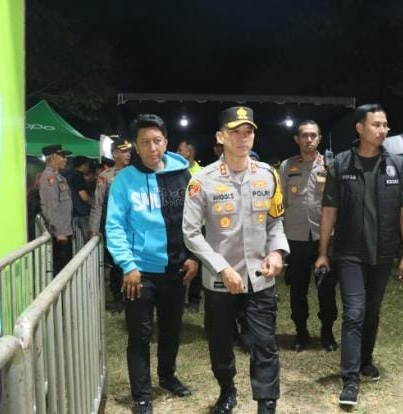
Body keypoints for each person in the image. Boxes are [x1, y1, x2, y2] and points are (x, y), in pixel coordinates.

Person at [183, 106, 289, 414]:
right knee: (220, 342)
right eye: (235, 132)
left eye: (248, 132)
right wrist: (221, 267)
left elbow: (275, 222)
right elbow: (191, 233)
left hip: (260, 277)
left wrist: (276, 252)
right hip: (220, 280)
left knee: (264, 342)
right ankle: (227, 390)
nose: (243, 138)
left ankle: (266, 403)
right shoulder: (202, 180)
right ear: (221, 137)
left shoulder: (268, 175)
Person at [314, 104, 403, 407]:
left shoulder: (397, 165)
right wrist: (323, 253)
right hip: (349, 252)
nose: (382, 130)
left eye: (385, 125)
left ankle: (365, 360)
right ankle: (350, 380)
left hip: (383, 253)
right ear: (360, 127)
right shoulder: (341, 164)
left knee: (371, 311)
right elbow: (329, 210)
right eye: (376, 124)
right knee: (354, 313)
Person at [106, 114, 199, 414]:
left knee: (172, 330)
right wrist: (128, 265)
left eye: (157, 141)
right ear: (136, 145)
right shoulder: (124, 180)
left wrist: (193, 256)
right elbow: (114, 226)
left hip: (177, 268)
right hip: (140, 271)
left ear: (166, 142)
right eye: (145, 142)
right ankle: (142, 395)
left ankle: (168, 377)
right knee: (140, 335)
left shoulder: (183, 174)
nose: (152, 147)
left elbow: (195, 220)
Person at [279, 120, 337, 352]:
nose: (309, 140)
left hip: (325, 237)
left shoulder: (330, 165)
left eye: (313, 135)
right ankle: (301, 332)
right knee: (297, 290)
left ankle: (327, 333)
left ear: (319, 138)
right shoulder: (287, 166)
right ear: (297, 139)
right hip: (295, 237)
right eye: (304, 135)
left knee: (327, 290)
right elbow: (281, 203)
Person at [89, 137, 132, 313]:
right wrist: (93, 229)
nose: (128, 154)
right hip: (114, 228)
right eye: (124, 151)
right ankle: (118, 299)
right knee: (117, 264)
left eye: (129, 151)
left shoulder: (135, 173)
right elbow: (97, 204)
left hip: (133, 227)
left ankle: (132, 296)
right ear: (115, 154)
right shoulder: (105, 176)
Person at [177, 139, 204, 312]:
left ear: (190, 152)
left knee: (197, 261)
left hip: (199, 225)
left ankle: (194, 300)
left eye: (181, 150)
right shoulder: (175, 171)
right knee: (180, 261)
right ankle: (178, 298)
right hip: (179, 225)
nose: (178, 153)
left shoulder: (201, 173)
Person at [39, 144, 74, 275]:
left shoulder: (59, 177)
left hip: (65, 232)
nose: (65, 159)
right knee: (61, 272)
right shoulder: (49, 178)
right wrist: (59, 232)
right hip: (59, 235)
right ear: (53, 157)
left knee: (66, 270)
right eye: (63, 156)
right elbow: (50, 206)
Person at [66, 155, 93, 243]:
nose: (88, 168)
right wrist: (94, 204)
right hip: (82, 213)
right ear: (82, 166)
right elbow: (84, 197)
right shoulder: (78, 177)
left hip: (73, 213)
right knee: (88, 242)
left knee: (78, 242)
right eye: (87, 165)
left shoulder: (67, 175)